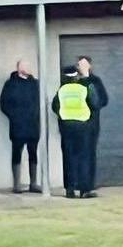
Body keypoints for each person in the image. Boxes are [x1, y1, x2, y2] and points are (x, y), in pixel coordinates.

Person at [0, 59, 43, 194]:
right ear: (18, 68)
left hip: (33, 125)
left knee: (33, 153)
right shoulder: (10, 84)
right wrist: (14, 117)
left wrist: (36, 115)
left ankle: (33, 183)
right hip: (18, 126)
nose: (28, 68)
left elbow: (41, 102)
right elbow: (4, 104)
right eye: (25, 66)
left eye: (28, 66)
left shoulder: (35, 84)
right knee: (17, 152)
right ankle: (16, 184)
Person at [51, 64, 93, 198]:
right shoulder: (83, 89)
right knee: (83, 157)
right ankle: (84, 189)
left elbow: (54, 106)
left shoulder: (61, 91)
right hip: (82, 125)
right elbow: (94, 103)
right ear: (77, 76)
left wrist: (62, 115)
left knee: (69, 158)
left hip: (67, 126)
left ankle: (70, 189)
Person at [76, 55, 109, 198]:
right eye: (79, 65)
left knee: (89, 154)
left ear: (89, 66)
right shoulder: (73, 82)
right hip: (76, 125)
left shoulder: (95, 81)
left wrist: (93, 103)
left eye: (83, 64)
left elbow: (103, 100)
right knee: (77, 155)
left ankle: (88, 186)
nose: (81, 67)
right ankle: (76, 185)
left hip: (91, 124)